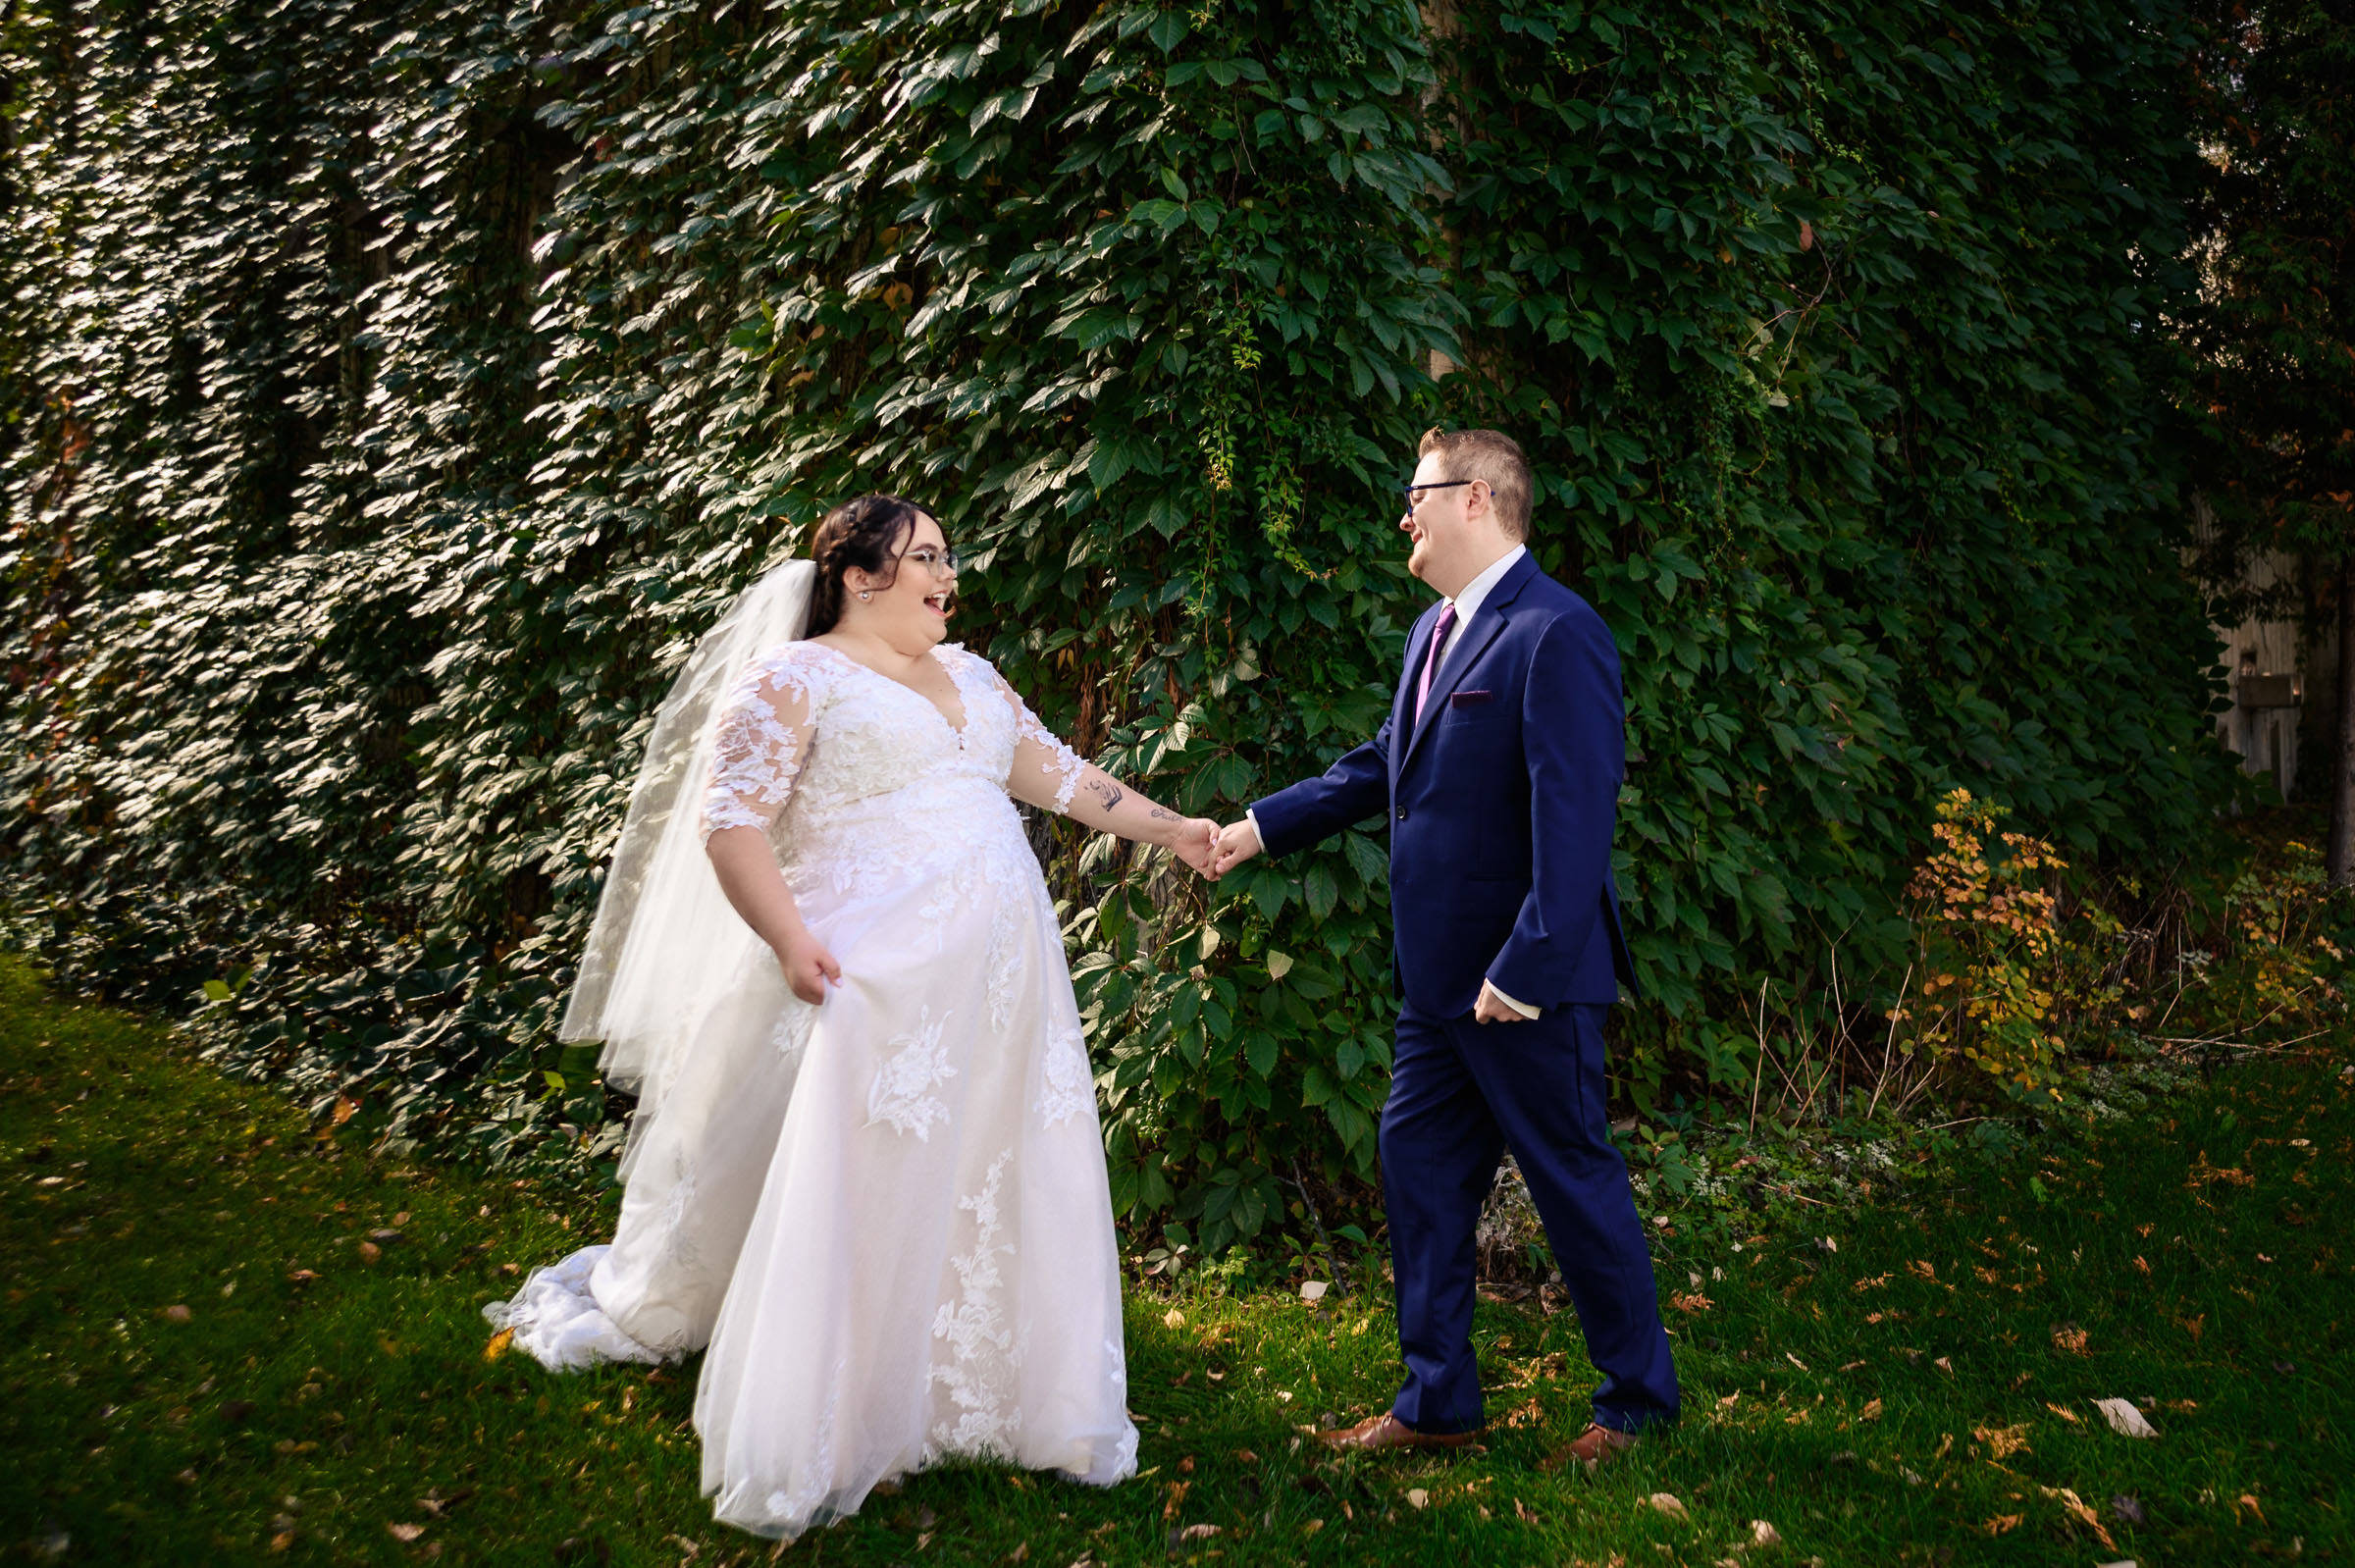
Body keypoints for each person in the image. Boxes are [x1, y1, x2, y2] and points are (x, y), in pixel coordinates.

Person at [486, 494, 1220, 1539]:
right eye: (925, 555)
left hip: (1001, 990)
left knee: (991, 1162)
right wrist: (790, 940)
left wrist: (1174, 828)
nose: (948, 575)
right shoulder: (796, 677)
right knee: (873, 1182)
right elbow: (732, 824)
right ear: (858, 573)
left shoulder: (972, 675)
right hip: (871, 980)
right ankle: (845, 1411)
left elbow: (1061, 777)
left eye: (948, 556)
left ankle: (995, 1389)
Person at [1212, 428, 1678, 1469]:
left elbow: (1576, 814)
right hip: (1432, 985)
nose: (1403, 514)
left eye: (1416, 494)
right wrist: (1259, 827)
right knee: (1417, 1167)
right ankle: (1438, 1400)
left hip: (1524, 981)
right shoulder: (1432, 631)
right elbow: (1387, 761)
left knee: (1571, 1179)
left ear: (1478, 498)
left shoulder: (1559, 631)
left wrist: (1528, 964)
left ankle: (1640, 1404)